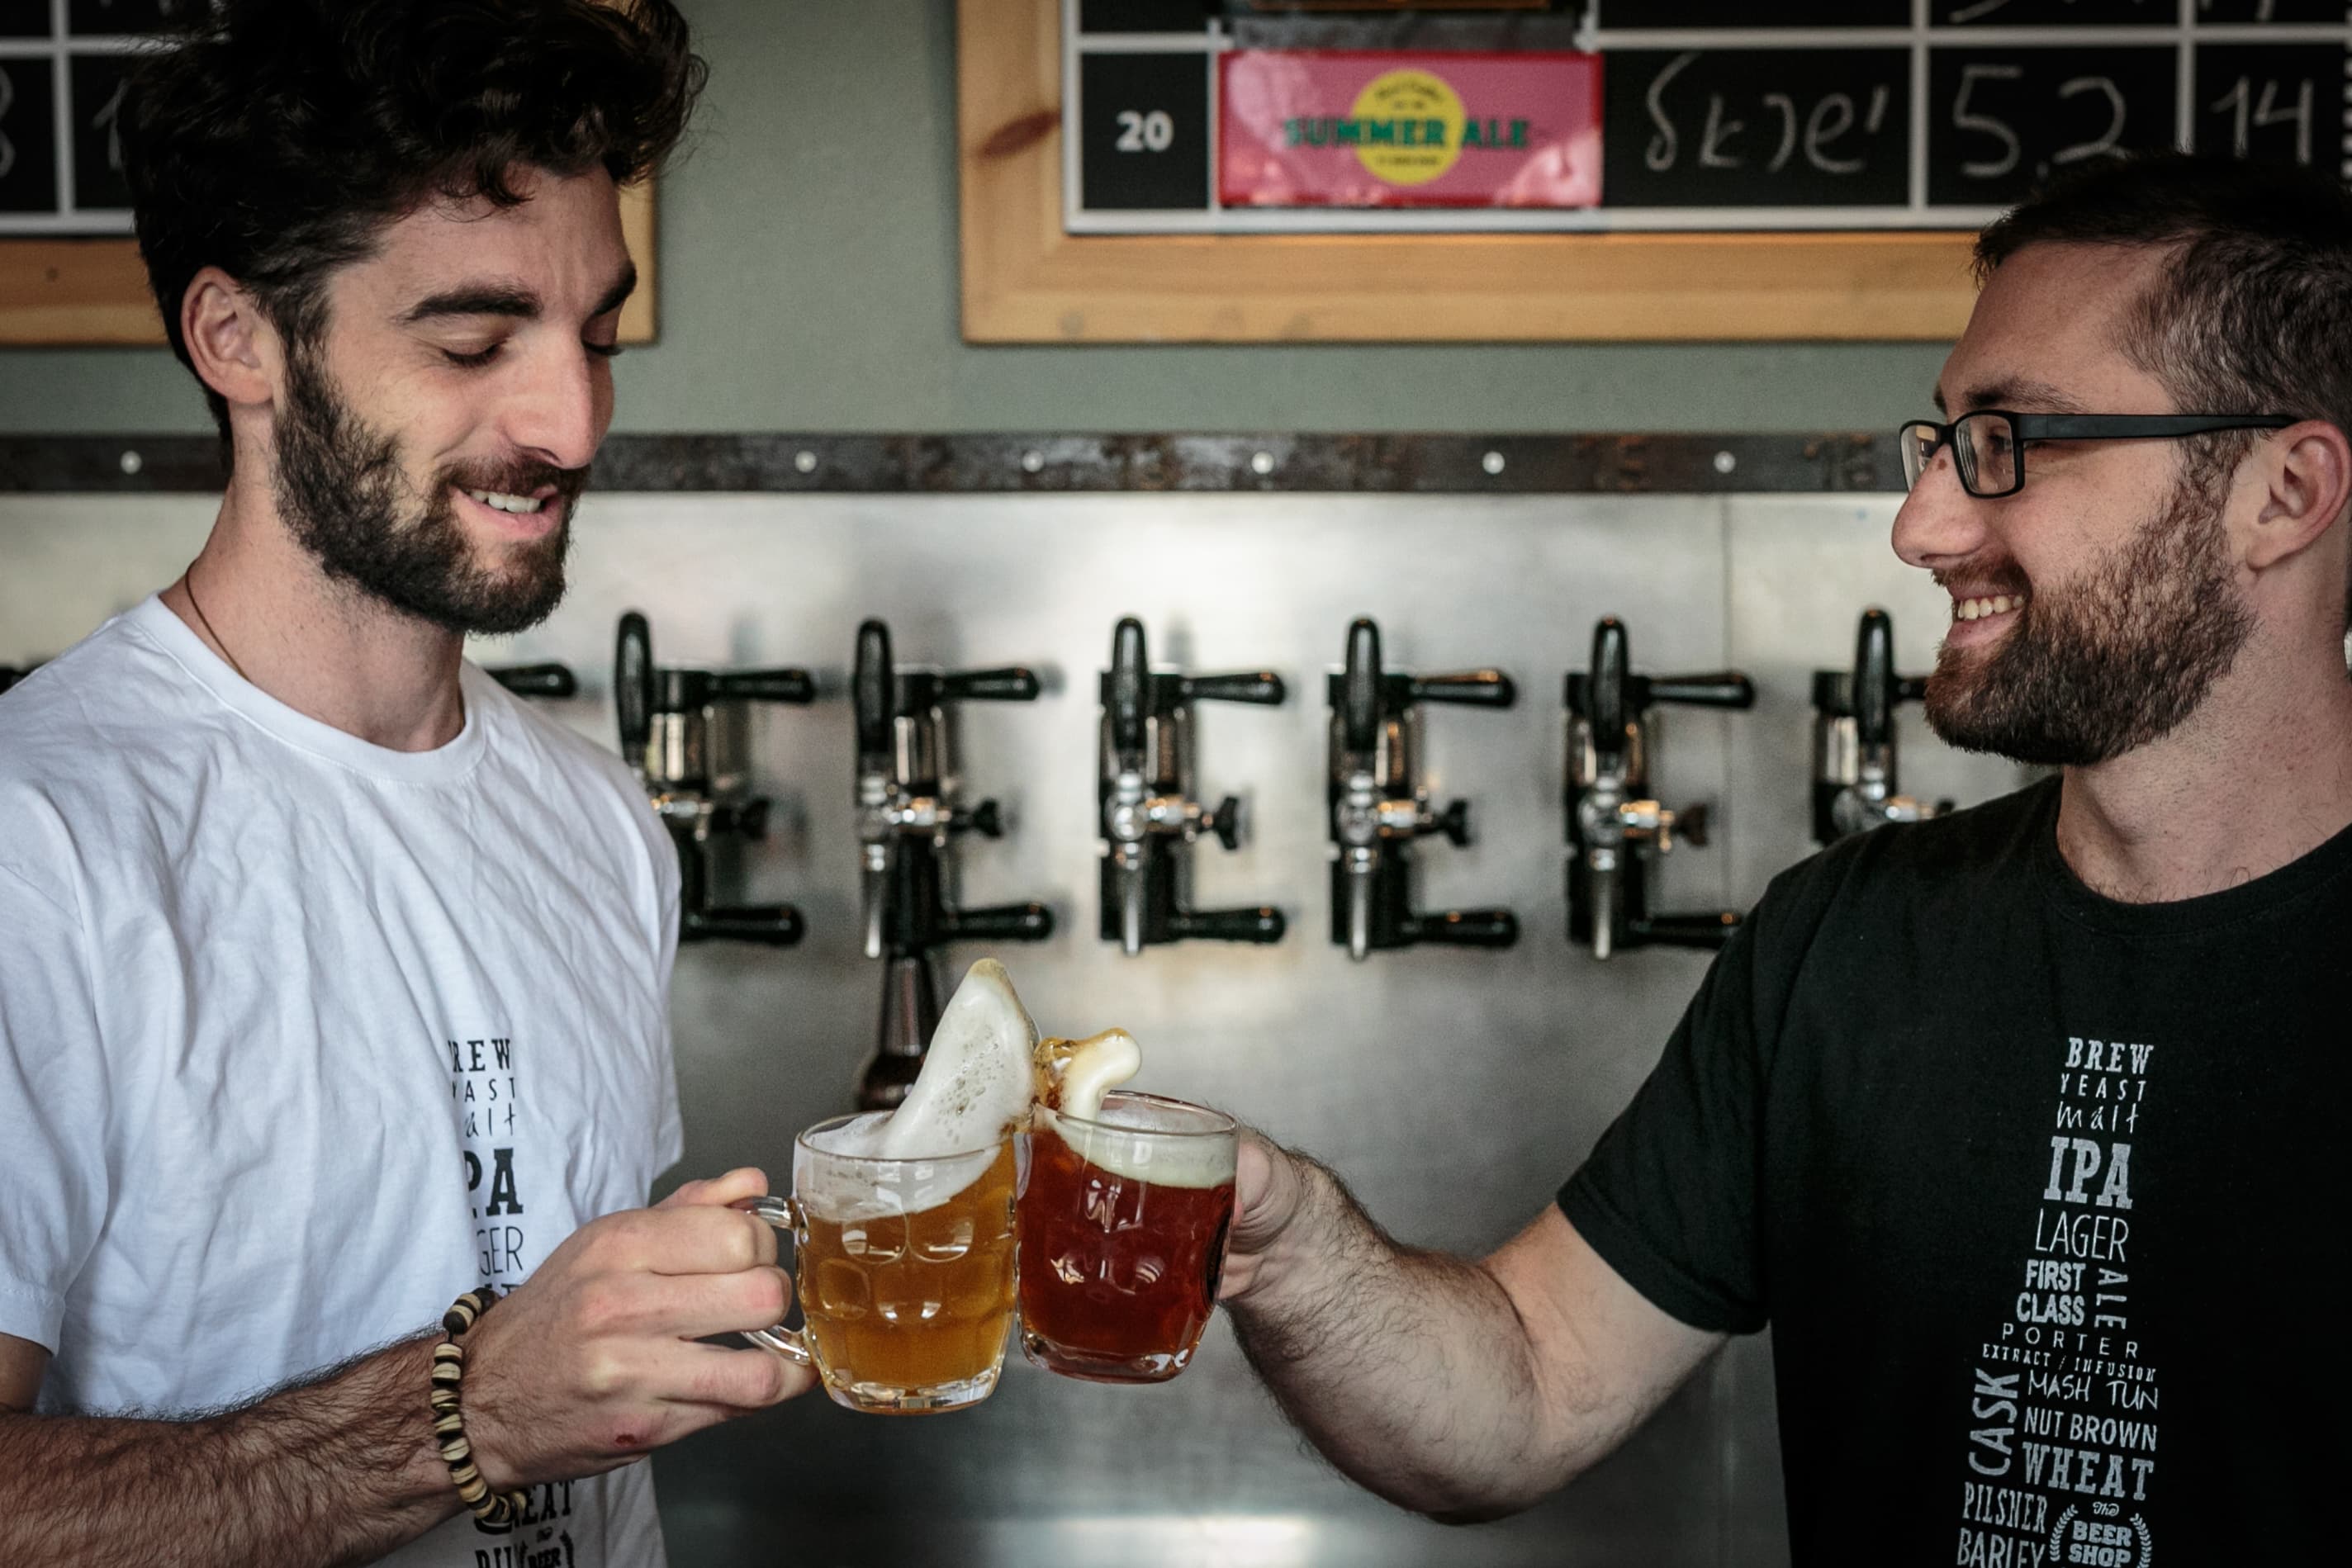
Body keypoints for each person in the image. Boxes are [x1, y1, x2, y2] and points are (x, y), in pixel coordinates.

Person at [1219, 151, 2352, 1563]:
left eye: (2013, 440)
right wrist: (1293, 1252)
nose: (1921, 525)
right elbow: (1520, 1395)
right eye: (1938, 441)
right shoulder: (1847, 941)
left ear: (2284, 490)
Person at [0, 5, 812, 1565]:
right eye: (468, 343)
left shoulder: (598, 822)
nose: (571, 422)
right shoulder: (42, 847)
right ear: (239, 340)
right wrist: (465, 1414)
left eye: (601, 336)